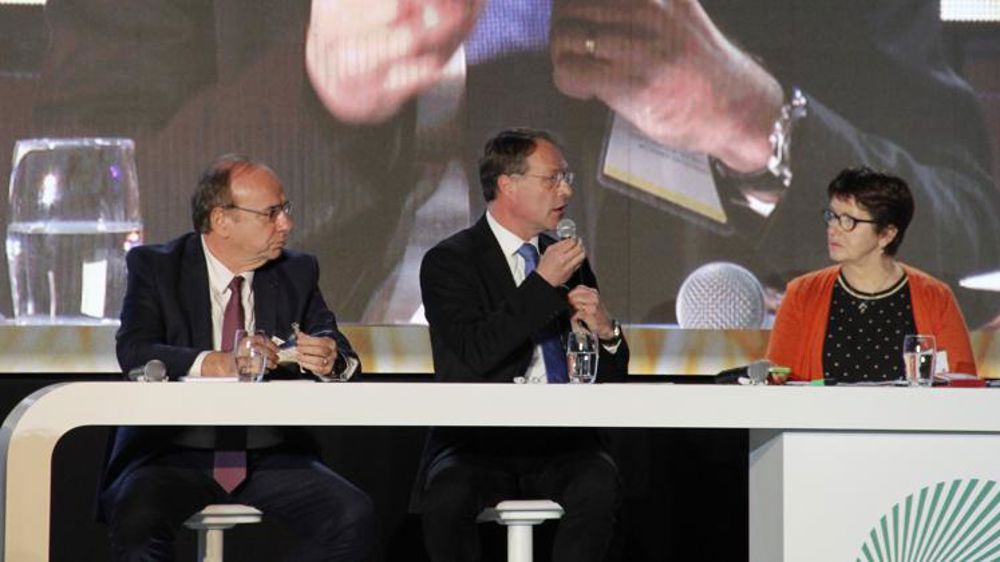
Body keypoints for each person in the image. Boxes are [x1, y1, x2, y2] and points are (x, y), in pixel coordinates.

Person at [21, 0, 1000, 327]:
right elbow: (72, 209)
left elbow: (957, 219)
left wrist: (752, 121)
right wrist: (319, 91)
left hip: (695, 460)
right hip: (286, 440)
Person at [105, 155, 376, 562]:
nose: (286, 224)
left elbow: (340, 352)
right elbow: (135, 352)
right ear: (222, 220)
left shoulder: (296, 270)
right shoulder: (157, 266)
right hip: (171, 452)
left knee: (353, 516)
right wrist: (220, 363)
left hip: (267, 455)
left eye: (285, 210)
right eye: (271, 213)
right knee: (137, 523)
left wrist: (329, 360)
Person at [414, 127, 629, 561]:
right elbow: (477, 351)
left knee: (600, 485)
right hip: (477, 441)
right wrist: (541, 284)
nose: (566, 190)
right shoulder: (450, 261)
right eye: (552, 179)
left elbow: (606, 378)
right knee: (447, 500)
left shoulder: (569, 260)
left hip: (561, 441)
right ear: (508, 186)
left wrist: (607, 334)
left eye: (567, 178)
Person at [766, 167, 977, 382]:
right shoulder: (802, 294)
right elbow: (777, 382)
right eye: (832, 216)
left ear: (886, 234)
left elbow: (962, 385)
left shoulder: (935, 298)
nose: (833, 229)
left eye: (848, 221)